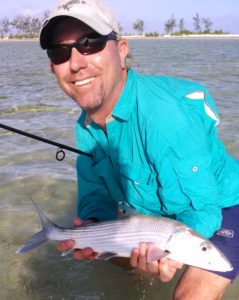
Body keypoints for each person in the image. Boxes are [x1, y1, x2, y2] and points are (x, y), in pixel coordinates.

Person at [39, 0, 239, 299]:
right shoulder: (85, 127)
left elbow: (202, 209)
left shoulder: (167, 116)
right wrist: (92, 226)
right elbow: (96, 197)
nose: (76, 63)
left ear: (121, 51)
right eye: (60, 52)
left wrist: (170, 255)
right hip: (154, 220)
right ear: (53, 67)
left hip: (221, 206)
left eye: (90, 44)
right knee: (118, 264)